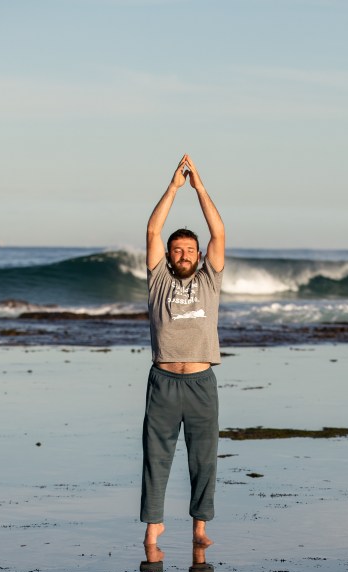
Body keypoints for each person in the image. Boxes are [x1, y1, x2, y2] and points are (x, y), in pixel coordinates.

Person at [140, 154, 225, 552]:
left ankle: (199, 527)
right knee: (156, 456)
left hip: (201, 382)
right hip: (163, 382)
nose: (184, 254)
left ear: (199, 256)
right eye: (177, 250)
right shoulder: (158, 280)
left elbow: (219, 233)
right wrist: (174, 188)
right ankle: (153, 527)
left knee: (203, 458)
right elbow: (152, 229)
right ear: (169, 256)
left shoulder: (210, 280)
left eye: (190, 249)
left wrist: (200, 188)